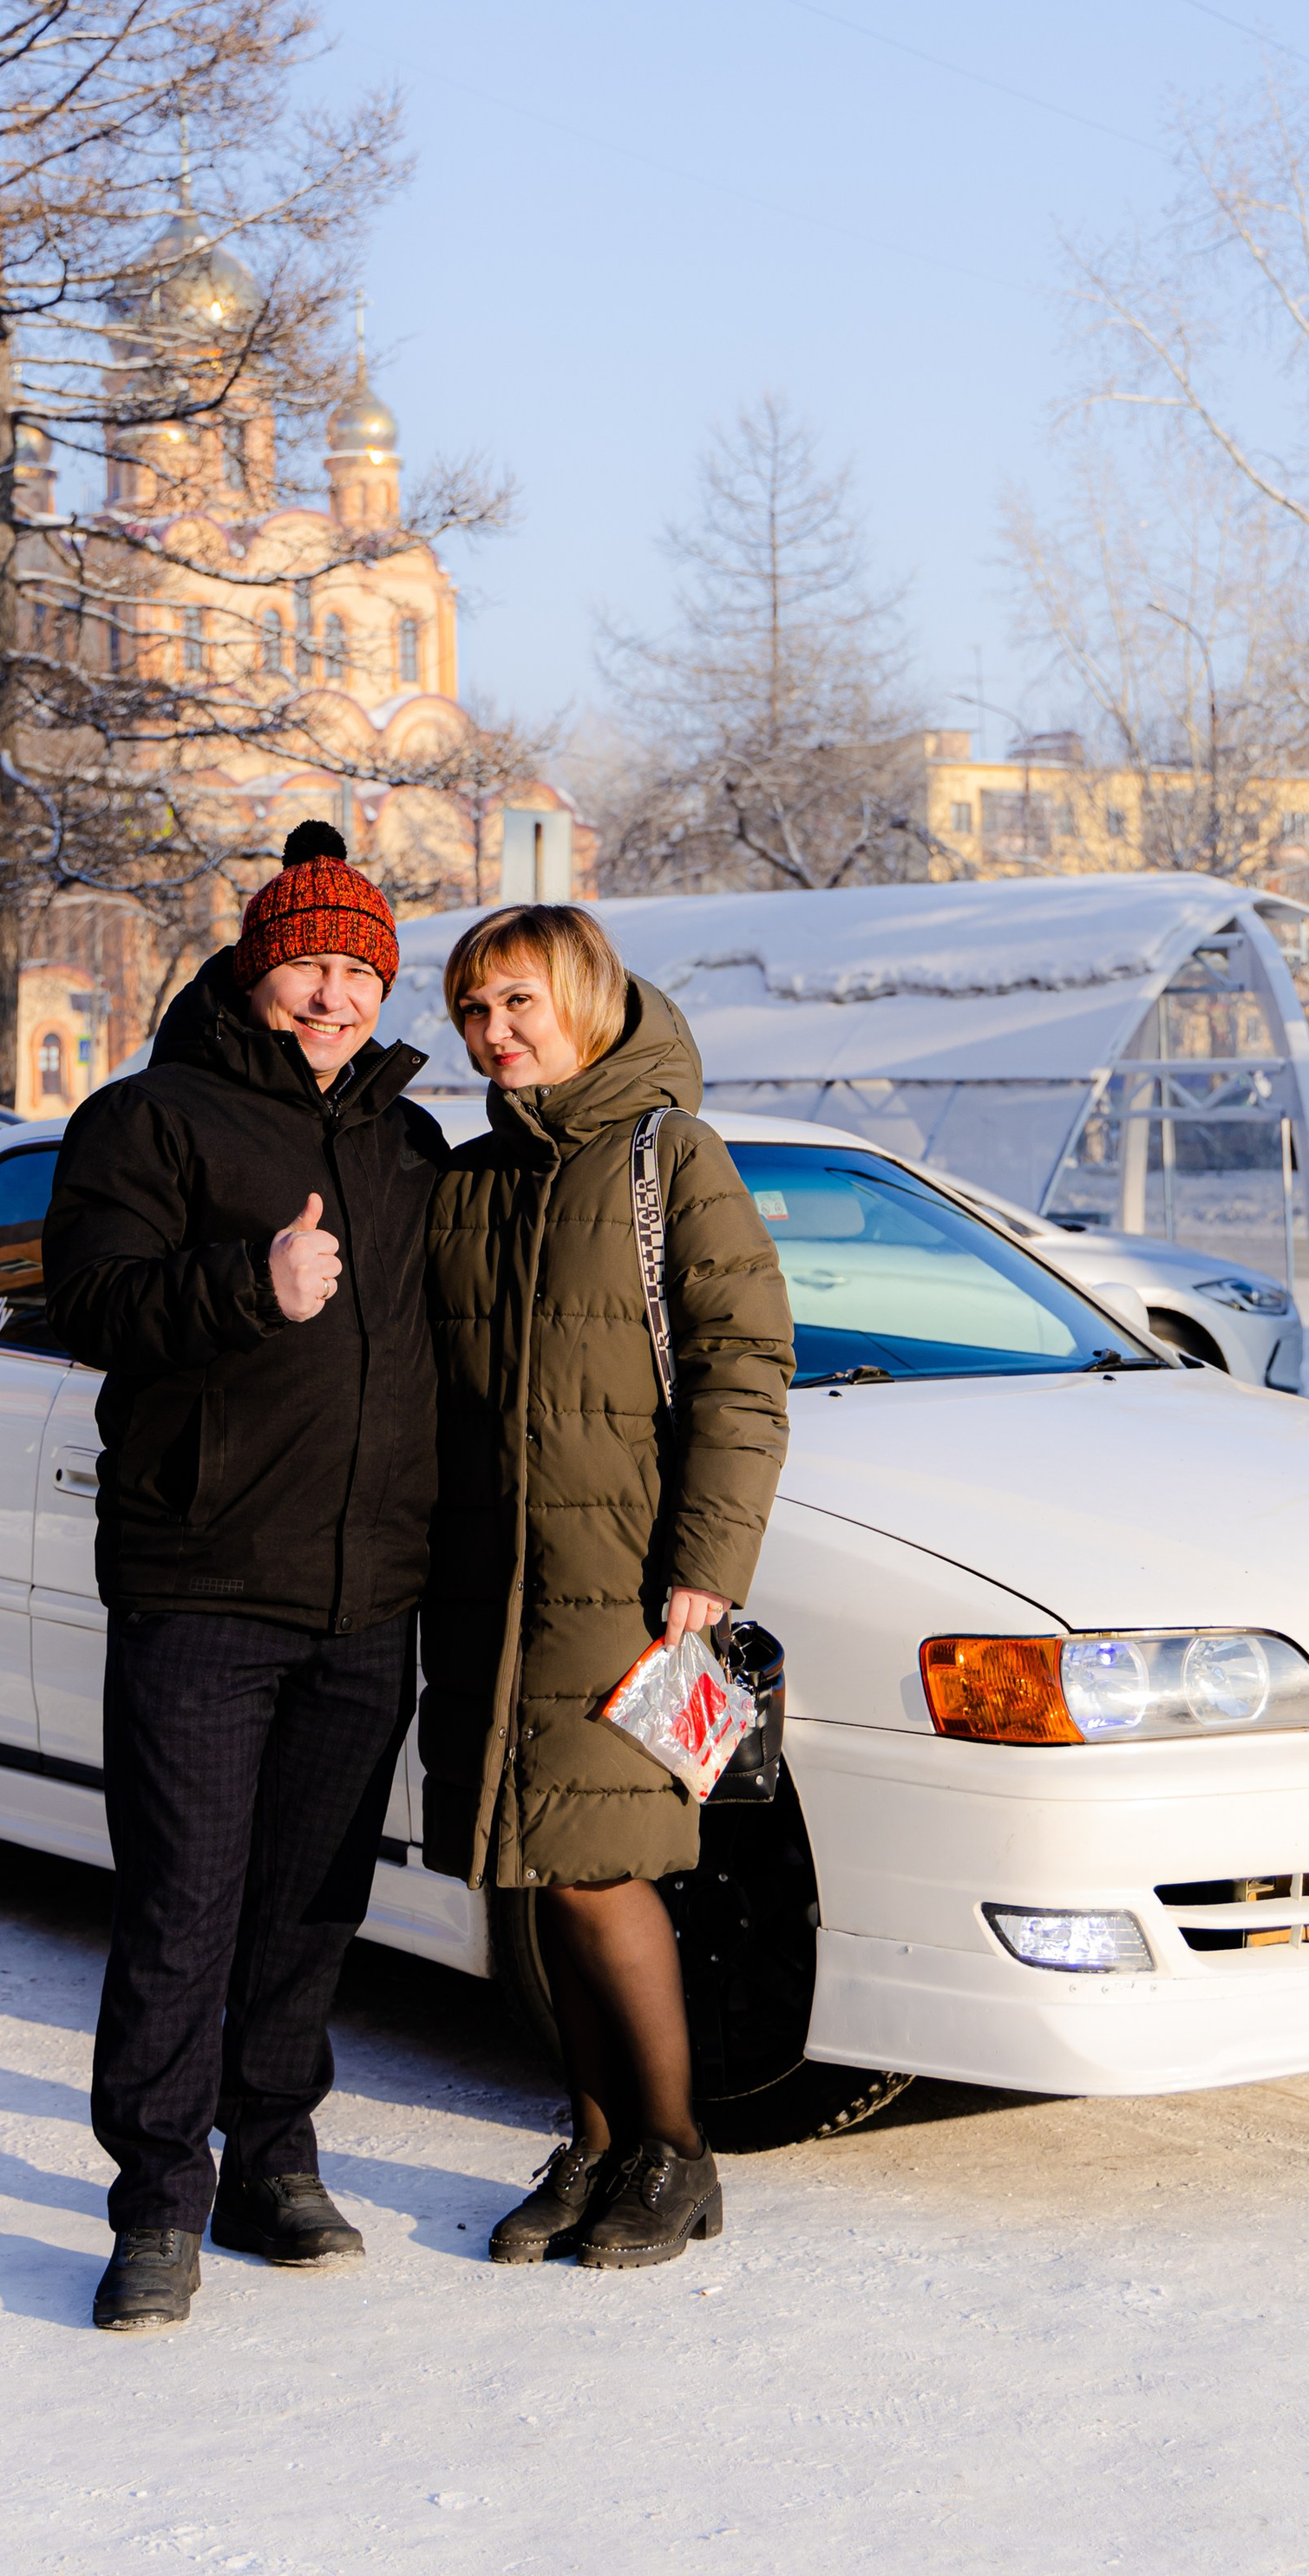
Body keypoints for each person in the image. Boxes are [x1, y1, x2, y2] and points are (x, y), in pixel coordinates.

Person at [44, 823, 448, 2334]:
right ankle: (156, 2199)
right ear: (258, 965)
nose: (335, 996)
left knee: (309, 1903)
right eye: (310, 964)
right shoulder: (147, 1118)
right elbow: (85, 1299)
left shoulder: (408, 1144)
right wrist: (247, 1284)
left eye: (360, 969)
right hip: (204, 1580)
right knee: (182, 1905)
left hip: (369, 1590)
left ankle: (273, 2157)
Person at [422, 904, 794, 2272]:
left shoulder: (665, 1159)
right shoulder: (469, 1180)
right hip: (485, 1592)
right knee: (527, 1877)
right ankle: (589, 2144)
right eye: (472, 1011)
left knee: (598, 1872)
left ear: (585, 1000)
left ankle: (675, 2154)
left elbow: (746, 1364)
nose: (494, 1032)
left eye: (517, 1003)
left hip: (623, 1584)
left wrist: (708, 1560)